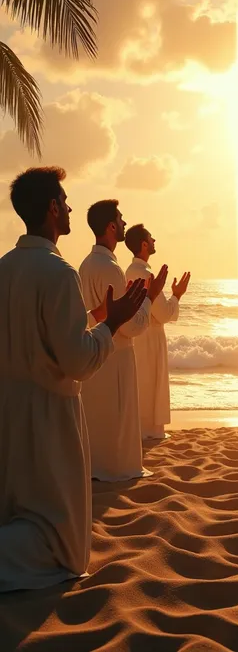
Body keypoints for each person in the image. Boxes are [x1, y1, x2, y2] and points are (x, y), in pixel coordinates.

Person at [0, 167, 147, 592]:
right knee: (58, 540)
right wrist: (111, 325)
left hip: (9, 413)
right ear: (50, 209)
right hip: (48, 417)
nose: (68, 209)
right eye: (63, 202)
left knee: (19, 508)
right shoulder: (58, 271)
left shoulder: (6, 268)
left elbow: (37, 332)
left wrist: (94, 317)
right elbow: (77, 361)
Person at [79, 200, 168, 482]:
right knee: (118, 417)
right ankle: (117, 468)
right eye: (120, 218)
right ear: (110, 226)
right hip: (115, 353)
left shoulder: (85, 265)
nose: (124, 223)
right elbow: (129, 326)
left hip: (94, 352)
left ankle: (98, 467)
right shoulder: (111, 268)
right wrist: (150, 296)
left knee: (98, 415)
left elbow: (90, 316)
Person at [125, 224, 190, 439]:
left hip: (134, 334)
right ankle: (151, 433)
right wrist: (177, 295)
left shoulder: (129, 271)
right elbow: (163, 313)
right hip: (150, 335)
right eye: (151, 238)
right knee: (152, 382)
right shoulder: (146, 274)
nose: (154, 242)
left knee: (140, 383)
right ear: (144, 244)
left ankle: (140, 431)